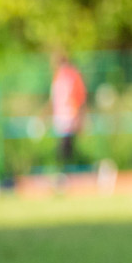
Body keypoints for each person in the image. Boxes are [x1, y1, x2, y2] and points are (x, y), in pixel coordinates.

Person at [49, 52, 87, 181]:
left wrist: (80, 117)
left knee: (66, 148)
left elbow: (80, 97)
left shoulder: (72, 76)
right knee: (64, 148)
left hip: (70, 115)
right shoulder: (58, 76)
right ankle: (64, 173)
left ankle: (69, 173)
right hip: (61, 117)